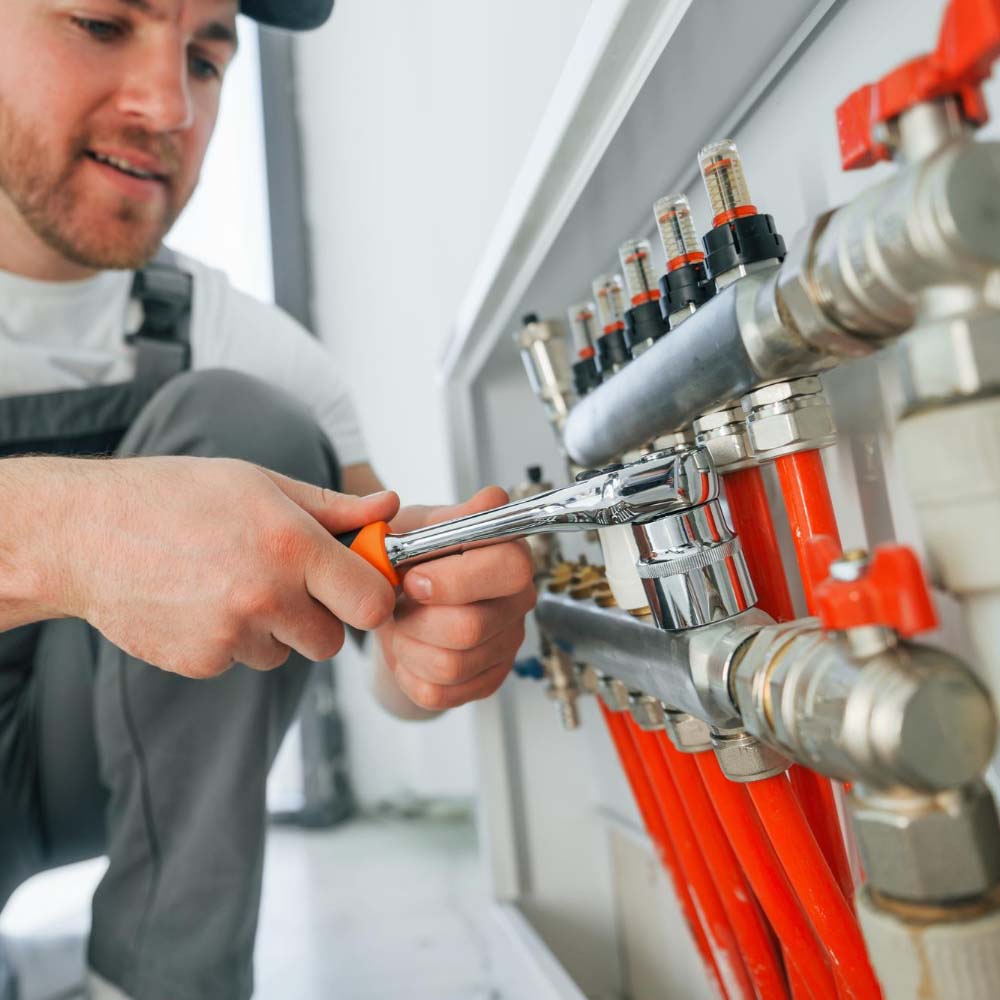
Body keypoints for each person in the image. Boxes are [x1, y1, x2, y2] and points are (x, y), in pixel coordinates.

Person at [0, 2, 536, 999]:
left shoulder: (259, 353)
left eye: (206, 59)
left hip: (82, 773)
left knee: (247, 426)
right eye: (102, 22)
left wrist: (433, 650)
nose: (168, 105)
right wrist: (74, 530)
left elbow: (385, 653)